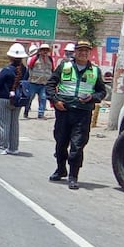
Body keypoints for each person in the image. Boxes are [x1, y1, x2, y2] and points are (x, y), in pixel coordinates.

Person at [45, 40, 107, 190]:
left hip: (82, 113)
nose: (83, 53)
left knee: (77, 146)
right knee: (60, 143)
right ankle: (60, 169)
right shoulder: (64, 66)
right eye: (80, 50)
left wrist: (92, 98)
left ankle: (73, 176)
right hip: (63, 111)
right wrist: (55, 100)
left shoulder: (95, 71)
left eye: (86, 50)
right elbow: (50, 85)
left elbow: (102, 92)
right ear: (75, 52)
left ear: (89, 53)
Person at [0, 43, 30, 155]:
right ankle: (13, 147)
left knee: (4, 123)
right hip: (18, 99)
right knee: (14, 124)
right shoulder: (25, 70)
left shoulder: (6, 70)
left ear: (10, 57)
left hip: (4, 99)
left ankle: (1, 146)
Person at [25, 43, 54, 119]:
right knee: (29, 98)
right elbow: (29, 68)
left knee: (43, 98)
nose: (45, 51)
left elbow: (52, 70)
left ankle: (41, 114)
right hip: (33, 82)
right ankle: (26, 111)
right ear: (40, 51)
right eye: (43, 50)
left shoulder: (50, 59)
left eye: (46, 50)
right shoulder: (35, 58)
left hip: (44, 83)